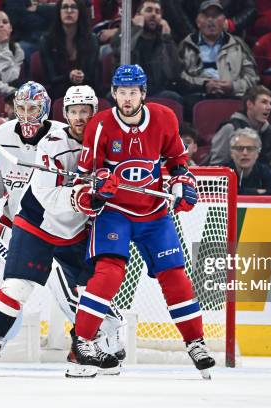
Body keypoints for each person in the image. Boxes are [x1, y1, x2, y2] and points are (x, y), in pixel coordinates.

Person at [0, 83, 124, 372]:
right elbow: (15, 185)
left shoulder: (102, 142)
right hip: (29, 222)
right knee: (11, 285)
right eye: (74, 112)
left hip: (74, 228)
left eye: (85, 112)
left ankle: (99, 340)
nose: (79, 118)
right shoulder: (48, 142)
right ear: (66, 114)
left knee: (84, 290)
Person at [68, 64, 215, 378]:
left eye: (133, 92)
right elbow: (83, 179)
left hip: (153, 214)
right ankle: (82, 340)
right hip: (115, 214)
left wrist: (182, 186)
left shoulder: (163, 118)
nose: (127, 98)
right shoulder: (99, 125)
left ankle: (195, 342)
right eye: (122, 92)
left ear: (143, 94)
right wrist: (98, 187)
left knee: (175, 276)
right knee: (109, 274)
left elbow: (178, 164)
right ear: (114, 93)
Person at [178, 0, 258, 119]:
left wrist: (233, 86)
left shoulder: (238, 45)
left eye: (215, 16)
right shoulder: (186, 45)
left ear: (224, 20)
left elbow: (252, 78)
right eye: (206, 16)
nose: (211, 20)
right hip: (199, 96)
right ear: (198, 22)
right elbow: (180, 77)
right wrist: (204, 84)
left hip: (232, 96)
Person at [111, 0, 182, 102]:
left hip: (157, 91)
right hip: (130, 89)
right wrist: (136, 28)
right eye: (149, 10)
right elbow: (121, 55)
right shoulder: (126, 35)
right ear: (138, 16)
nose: (153, 15)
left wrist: (167, 38)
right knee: (112, 96)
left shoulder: (164, 40)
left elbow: (174, 73)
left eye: (157, 12)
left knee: (175, 98)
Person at [208, 85, 271, 175]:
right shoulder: (230, 129)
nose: (269, 107)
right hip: (231, 184)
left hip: (261, 185)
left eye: (270, 103)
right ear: (249, 104)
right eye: (264, 102)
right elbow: (215, 167)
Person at [39, 0, 99, 101]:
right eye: (65, 7)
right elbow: (49, 76)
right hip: (57, 90)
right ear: (59, 12)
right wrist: (69, 77)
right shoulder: (47, 40)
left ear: (80, 12)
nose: (69, 11)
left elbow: (93, 74)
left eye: (74, 7)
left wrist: (82, 77)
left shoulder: (91, 39)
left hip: (85, 89)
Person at [227, 128, 271, 196]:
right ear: (232, 153)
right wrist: (257, 192)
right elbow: (219, 194)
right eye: (240, 148)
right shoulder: (222, 173)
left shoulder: (265, 171)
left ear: (257, 153)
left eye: (250, 149)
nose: (245, 153)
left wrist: (239, 192)